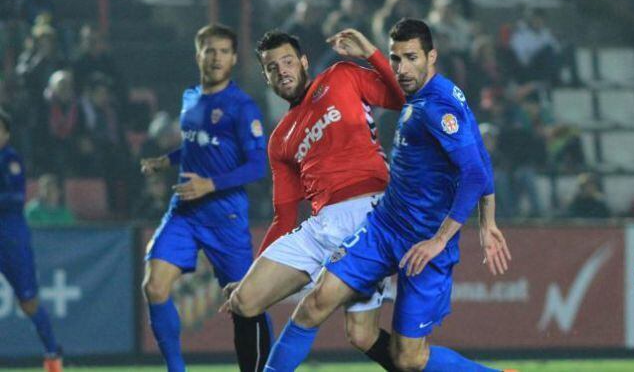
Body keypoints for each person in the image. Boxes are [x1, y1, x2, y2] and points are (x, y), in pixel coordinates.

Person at [263, 18, 512, 372]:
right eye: (396, 59)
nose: (402, 69)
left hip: (423, 243)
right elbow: (479, 159)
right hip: (383, 228)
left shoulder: (437, 107)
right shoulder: (430, 95)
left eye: (411, 58)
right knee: (316, 303)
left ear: (432, 56)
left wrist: (441, 240)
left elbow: (473, 173)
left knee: (408, 359)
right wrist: (488, 221)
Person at [221, 28, 405, 370]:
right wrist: (253, 272)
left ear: (304, 62)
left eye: (288, 61)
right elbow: (285, 217)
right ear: (266, 77)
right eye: (272, 67)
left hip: (369, 214)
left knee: (357, 333)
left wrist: (369, 52)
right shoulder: (279, 139)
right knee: (244, 300)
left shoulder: (341, 76)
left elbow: (401, 98)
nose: (282, 71)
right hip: (321, 225)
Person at [139, 24, 270, 372]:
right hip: (184, 210)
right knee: (154, 286)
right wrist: (166, 161)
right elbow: (197, 144)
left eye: (224, 51)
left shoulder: (242, 107)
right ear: (198, 54)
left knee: (248, 302)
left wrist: (210, 185)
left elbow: (258, 164)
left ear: (234, 58)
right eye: (209, 50)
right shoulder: (190, 98)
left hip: (224, 215)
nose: (216, 58)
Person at [0, 110, 63, 372]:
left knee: (28, 301)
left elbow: (16, 199)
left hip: (10, 236)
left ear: (6, 133)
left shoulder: (10, 159)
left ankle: (52, 352)